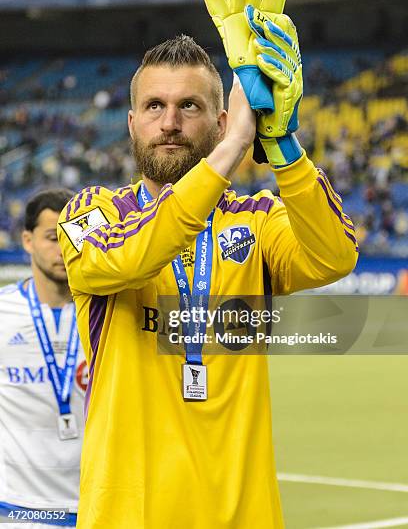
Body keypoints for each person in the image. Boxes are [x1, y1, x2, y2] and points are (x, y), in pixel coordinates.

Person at [58, 28, 358, 526]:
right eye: (154, 106)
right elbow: (127, 259)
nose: (170, 123)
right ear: (131, 123)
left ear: (221, 121)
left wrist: (280, 143)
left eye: (189, 107)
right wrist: (235, 148)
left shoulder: (256, 219)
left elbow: (334, 256)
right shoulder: (92, 213)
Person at [0, 189, 86, 528]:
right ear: (27, 240)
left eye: (73, 237)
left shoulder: (110, 312)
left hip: (96, 508)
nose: (63, 249)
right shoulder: (3, 310)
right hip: (16, 510)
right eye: (52, 237)